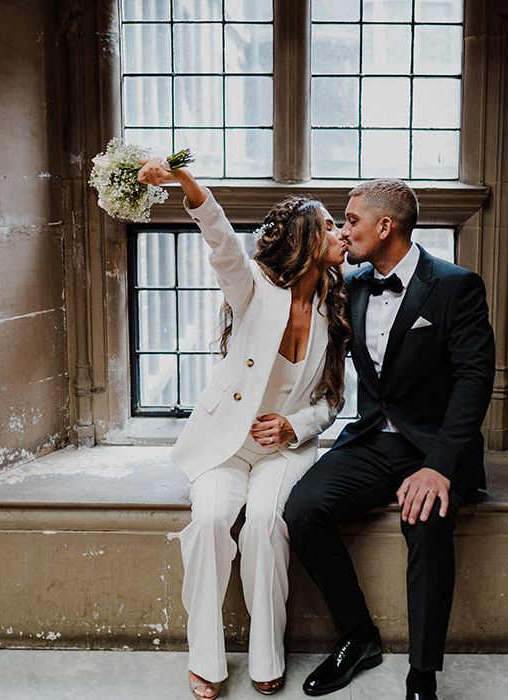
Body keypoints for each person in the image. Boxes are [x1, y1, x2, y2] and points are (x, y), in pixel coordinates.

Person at [137, 158, 349, 699]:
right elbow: (223, 243)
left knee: (264, 525)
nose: (341, 233)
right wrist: (186, 183)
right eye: (329, 226)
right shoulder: (252, 288)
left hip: (285, 453)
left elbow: (331, 400)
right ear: (304, 237)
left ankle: (266, 653)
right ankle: (204, 658)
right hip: (225, 446)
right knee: (209, 523)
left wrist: (294, 425)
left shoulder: (338, 304)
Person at [283, 179, 496, 700]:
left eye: (351, 219)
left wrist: (440, 466)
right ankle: (358, 637)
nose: (342, 228)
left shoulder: (455, 285)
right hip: (374, 441)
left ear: (386, 226)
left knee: (423, 521)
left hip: (435, 448)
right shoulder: (351, 285)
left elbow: (474, 381)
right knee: (301, 510)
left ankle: (422, 675)